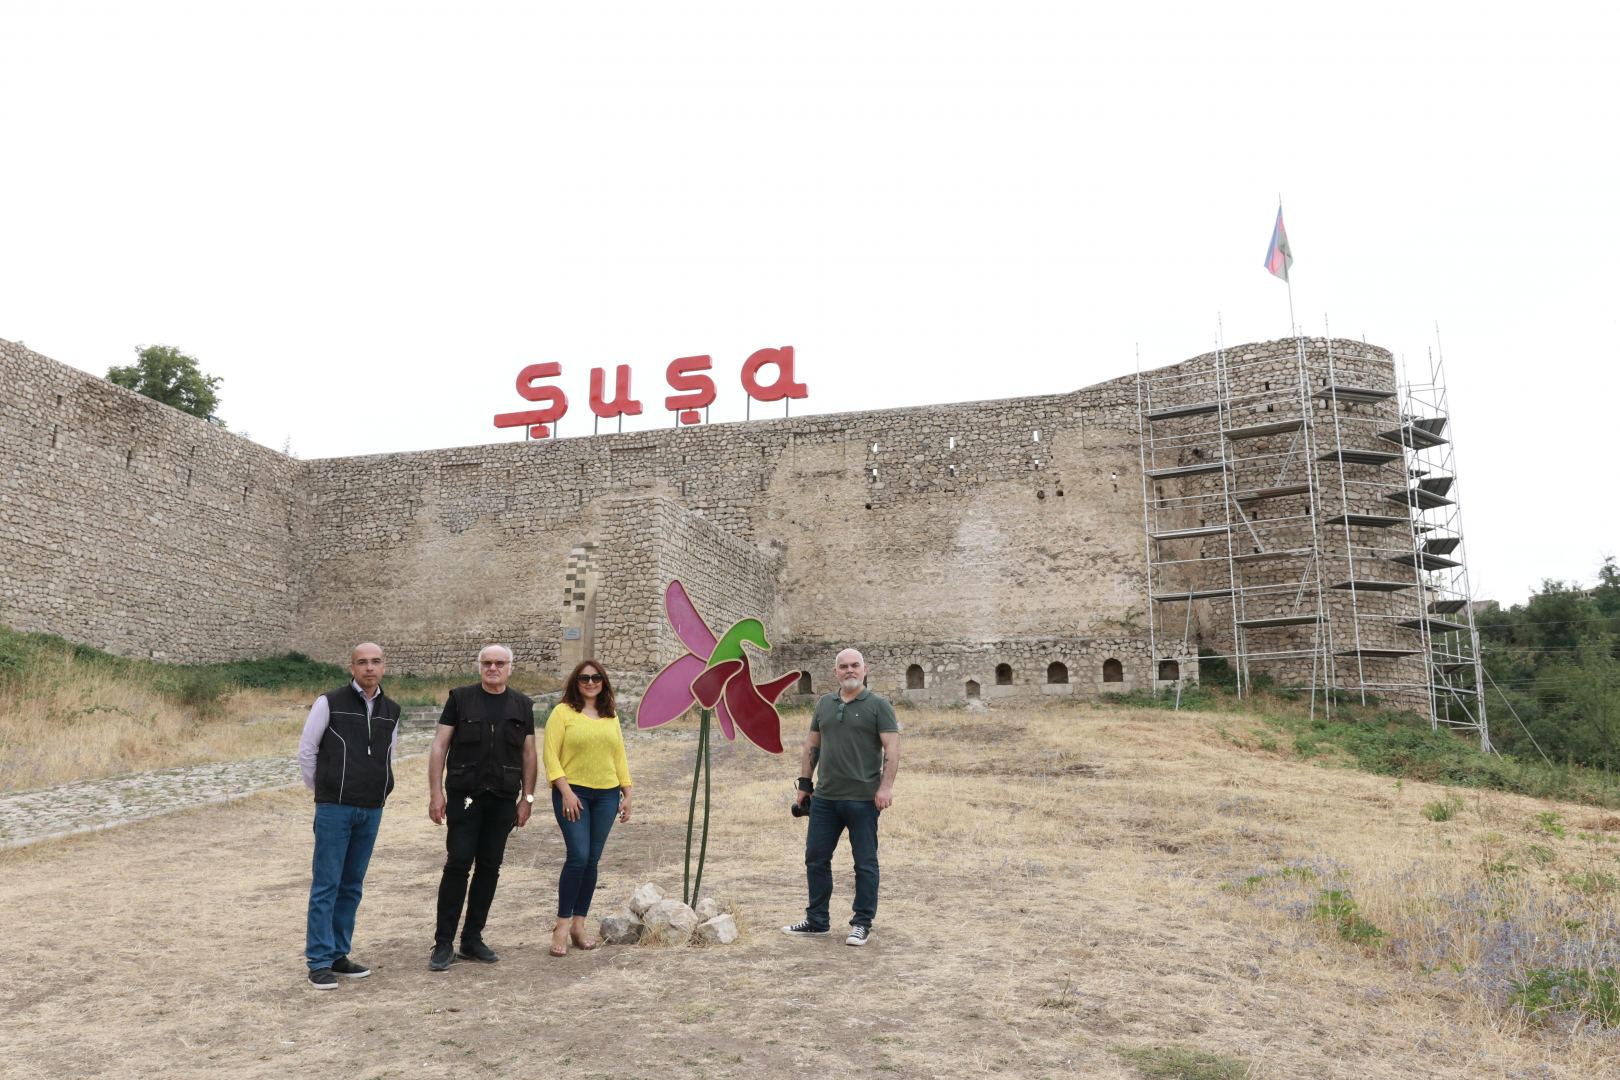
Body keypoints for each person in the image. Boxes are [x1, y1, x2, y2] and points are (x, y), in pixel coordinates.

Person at [427, 644, 537, 971]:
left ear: (510, 667)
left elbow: (529, 755)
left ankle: (472, 939)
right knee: (458, 863)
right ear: (479, 667)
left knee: (490, 867)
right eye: (487, 663)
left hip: (503, 798)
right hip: (465, 796)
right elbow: (439, 746)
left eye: (499, 663)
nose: (493, 668)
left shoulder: (522, 705)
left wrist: (527, 798)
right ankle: (443, 943)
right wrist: (436, 794)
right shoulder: (460, 699)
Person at [298, 642, 402, 990]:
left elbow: (390, 754)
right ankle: (319, 960)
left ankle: (339, 953)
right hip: (335, 808)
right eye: (362, 662)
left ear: (384, 666)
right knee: (326, 884)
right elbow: (307, 750)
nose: (369, 668)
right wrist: (325, 791)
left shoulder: (392, 709)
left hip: (371, 809)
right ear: (351, 667)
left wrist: (382, 789)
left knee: (352, 885)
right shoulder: (329, 702)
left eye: (375, 662)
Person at [783, 648, 900, 946]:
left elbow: (893, 749)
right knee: (816, 859)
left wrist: (885, 788)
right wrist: (805, 785)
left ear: (865, 669)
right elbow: (812, 744)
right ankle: (817, 921)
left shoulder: (879, 706)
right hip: (825, 799)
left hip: (863, 800)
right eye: (843, 666)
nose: (849, 670)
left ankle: (861, 923)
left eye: (855, 666)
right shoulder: (824, 704)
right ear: (835, 672)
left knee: (864, 863)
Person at [542, 658, 633, 957]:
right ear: (575, 682)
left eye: (596, 678)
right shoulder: (562, 713)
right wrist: (565, 791)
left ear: (603, 682)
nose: (591, 682)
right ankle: (562, 925)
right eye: (584, 678)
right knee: (578, 856)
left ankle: (580, 924)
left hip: (607, 795)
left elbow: (618, 755)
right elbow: (550, 755)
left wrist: (627, 792)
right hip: (573, 792)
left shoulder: (610, 715)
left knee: (592, 860)